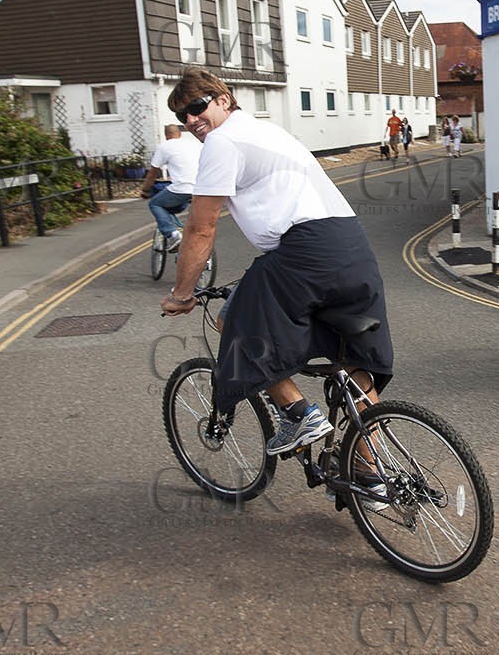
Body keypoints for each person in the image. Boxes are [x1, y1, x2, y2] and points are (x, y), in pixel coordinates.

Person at [159, 71, 394, 460]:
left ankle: (298, 412)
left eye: (196, 107)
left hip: (305, 251)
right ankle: (371, 474)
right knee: (354, 361)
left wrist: (182, 294)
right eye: (182, 115)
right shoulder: (268, 132)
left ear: (223, 99)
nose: (190, 120)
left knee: (235, 320)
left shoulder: (222, 141)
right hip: (352, 247)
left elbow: (200, 228)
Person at [139, 123, 202, 249]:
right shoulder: (194, 144)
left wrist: (145, 190)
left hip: (182, 188)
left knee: (155, 204)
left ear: (167, 136)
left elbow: (153, 172)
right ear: (179, 134)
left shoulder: (164, 146)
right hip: (202, 188)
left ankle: (173, 234)